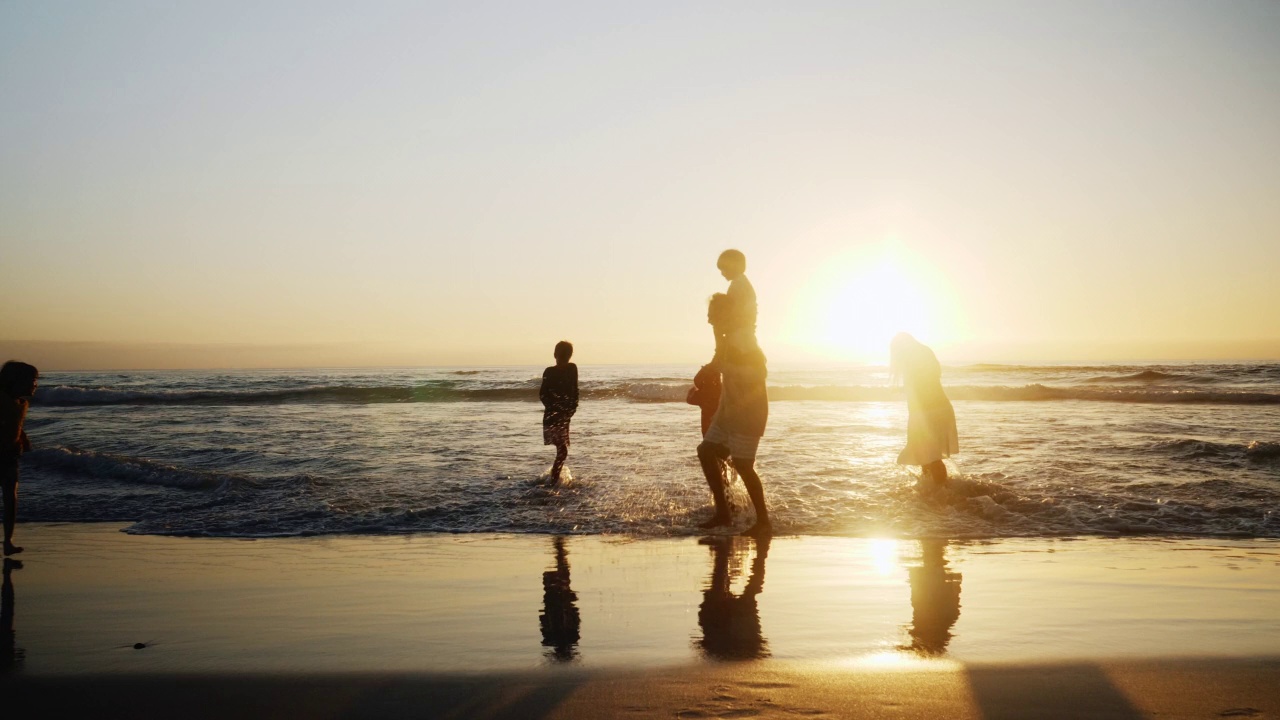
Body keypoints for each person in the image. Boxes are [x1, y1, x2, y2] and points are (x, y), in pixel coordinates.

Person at [697, 291, 771, 536]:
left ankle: (763, 522)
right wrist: (709, 369)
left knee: (743, 464)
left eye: (712, 316)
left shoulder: (744, 338)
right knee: (706, 451)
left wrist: (725, 366)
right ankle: (724, 512)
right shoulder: (728, 339)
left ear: (724, 315)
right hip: (728, 409)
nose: (709, 321)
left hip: (749, 410)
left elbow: (759, 373)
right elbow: (720, 362)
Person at [890, 333, 959, 484]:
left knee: (930, 457)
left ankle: (941, 493)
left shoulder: (913, 362)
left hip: (929, 413)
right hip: (935, 410)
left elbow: (920, 392)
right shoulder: (923, 354)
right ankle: (934, 491)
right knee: (926, 456)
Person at [0, 361, 38, 556]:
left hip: (10, 456)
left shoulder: (22, 403)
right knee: (9, 495)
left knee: (11, 497)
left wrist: (24, 440)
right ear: (15, 381)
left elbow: (17, 425)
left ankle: (8, 541)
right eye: (32, 381)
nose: (35, 385)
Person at [539, 341, 579, 484]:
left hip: (560, 415)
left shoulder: (570, 369)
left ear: (555, 354)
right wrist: (560, 409)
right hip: (555, 415)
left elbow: (543, 395)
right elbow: (544, 395)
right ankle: (554, 480)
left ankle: (553, 478)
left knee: (561, 449)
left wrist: (570, 409)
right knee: (562, 450)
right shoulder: (562, 370)